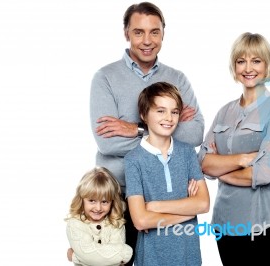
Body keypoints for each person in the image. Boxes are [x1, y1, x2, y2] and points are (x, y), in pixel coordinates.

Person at [89, 2, 204, 265]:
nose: (147, 40)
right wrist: (163, 134)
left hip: (171, 197)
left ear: (164, 33)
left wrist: (134, 129)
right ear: (126, 33)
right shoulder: (105, 78)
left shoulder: (178, 78)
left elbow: (196, 132)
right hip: (118, 197)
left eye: (155, 32)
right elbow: (107, 142)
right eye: (138, 32)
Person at [198, 32, 270, 266]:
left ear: (267, 65)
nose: (248, 68)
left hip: (263, 224)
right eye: (241, 61)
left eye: (256, 60)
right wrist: (243, 159)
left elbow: (264, 173)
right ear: (234, 67)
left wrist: (219, 167)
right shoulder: (224, 112)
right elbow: (202, 161)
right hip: (224, 222)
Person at [124, 82, 210, 266]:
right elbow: (140, 221)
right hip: (152, 258)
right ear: (144, 115)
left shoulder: (188, 153)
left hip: (189, 256)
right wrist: (187, 212)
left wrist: (154, 206)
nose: (169, 118)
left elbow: (203, 204)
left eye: (175, 111)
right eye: (160, 111)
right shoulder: (133, 160)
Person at [65, 167, 133, 266]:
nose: (98, 208)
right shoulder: (75, 223)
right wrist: (125, 252)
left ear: (112, 202)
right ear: (82, 199)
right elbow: (88, 255)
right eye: (92, 201)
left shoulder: (116, 223)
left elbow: (117, 262)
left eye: (104, 202)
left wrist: (75, 257)